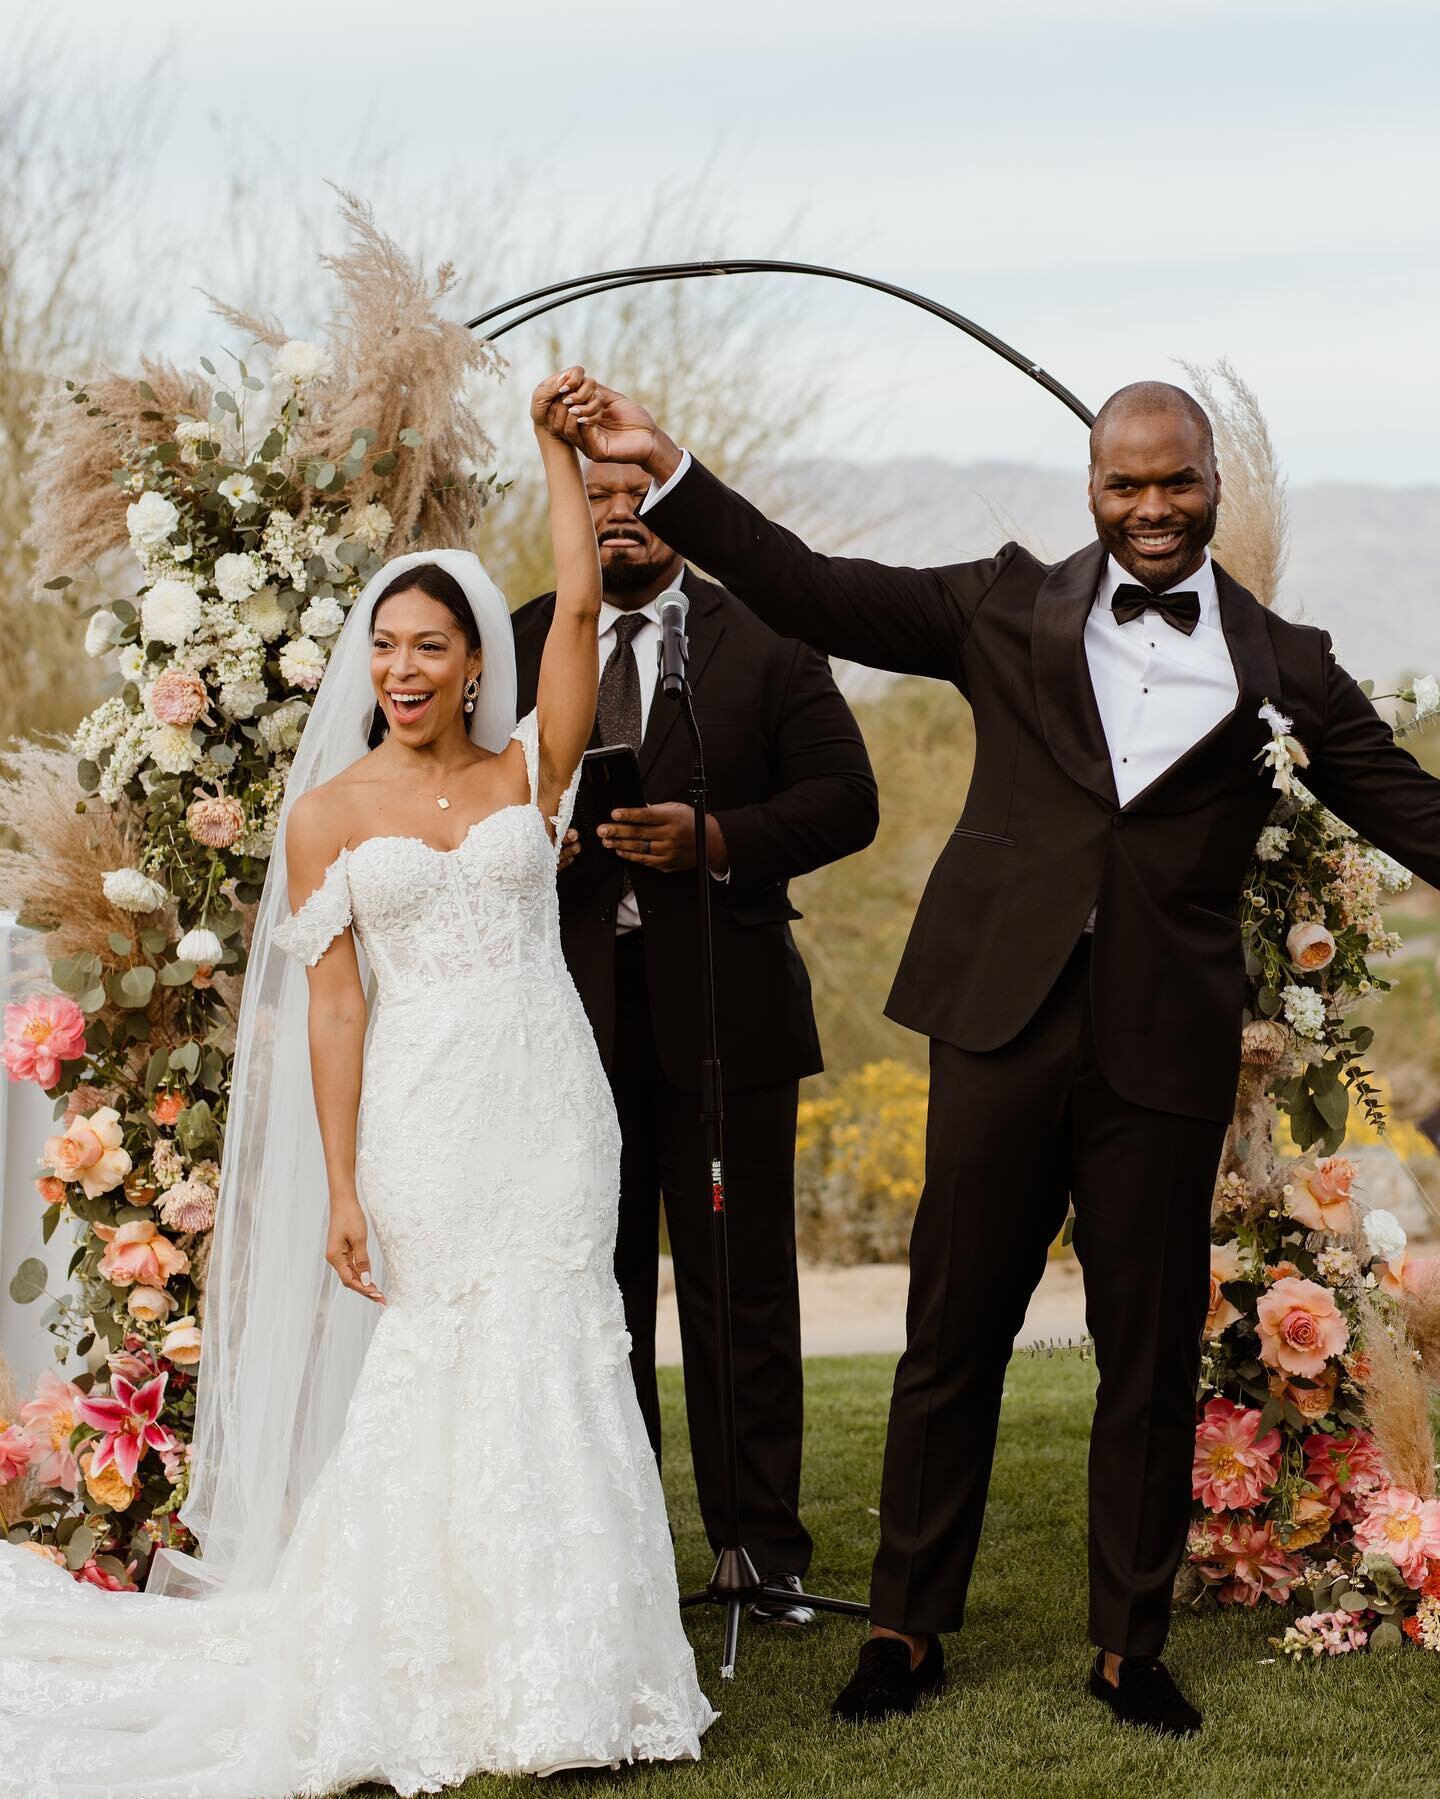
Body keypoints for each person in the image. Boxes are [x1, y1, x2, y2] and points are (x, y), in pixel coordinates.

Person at [539, 372, 1440, 1738]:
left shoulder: (1288, 663)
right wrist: (673, 476)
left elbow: (1408, 805)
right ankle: (906, 1625)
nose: (1151, 507)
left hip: (1165, 1044)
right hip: (997, 1017)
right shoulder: (1003, 603)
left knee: (1147, 1348)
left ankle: (1130, 1646)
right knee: (949, 1332)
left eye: (1176, 482)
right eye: (1124, 483)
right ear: (1091, 486)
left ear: (1216, 486)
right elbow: (815, 586)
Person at [0, 370, 715, 1796]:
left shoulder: (528, 775)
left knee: (566, 1338)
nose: (400, 666)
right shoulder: (327, 816)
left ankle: (581, 1669)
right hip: (423, 1117)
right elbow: (333, 1012)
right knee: (449, 1349)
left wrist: (551, 453)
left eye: (428, 645)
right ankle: (427, 1654)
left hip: (552, 1101)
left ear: (469, 663)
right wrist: (339, 1178)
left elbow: (578, 608)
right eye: (382, 645)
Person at [511, 454, 878, 1621]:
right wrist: (536, 842)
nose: (620, 515)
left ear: (675, 501)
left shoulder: (765, 635)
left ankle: (759, 1554)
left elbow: (845, 798)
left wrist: (713, 836)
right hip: (561, 1020)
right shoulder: (515, 638)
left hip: (729, 1018)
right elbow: (434, 795)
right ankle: (614, 1551)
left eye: (639, 493)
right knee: (593, 1291)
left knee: (743, 1292)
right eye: (598, 498)